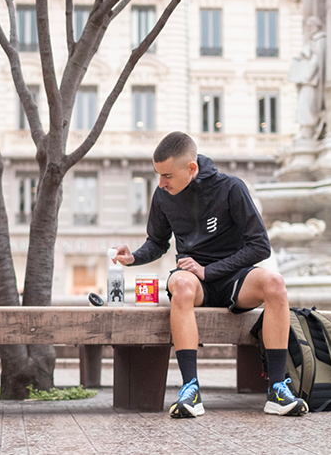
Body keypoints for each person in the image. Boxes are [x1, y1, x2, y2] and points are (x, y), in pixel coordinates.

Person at [112, 132, 307, 418]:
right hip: (194, 282)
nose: (161, 183)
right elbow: (157, 242)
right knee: (179, 283)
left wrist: (210, 270)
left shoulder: (231, 188)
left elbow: (259, 246)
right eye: (158, 175)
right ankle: (190, 388)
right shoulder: (163, 196)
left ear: (191, 168)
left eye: (167, 175)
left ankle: (277, 388)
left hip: (234, 279)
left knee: (275, 283)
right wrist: (133, 258)